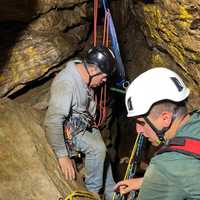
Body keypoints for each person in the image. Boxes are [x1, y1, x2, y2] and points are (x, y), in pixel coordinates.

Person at [114, 67, 200, 199]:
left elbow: (173, 170)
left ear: (165, 118)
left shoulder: (164, 166)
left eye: (141, 123)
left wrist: (156, 181)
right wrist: (147, 181)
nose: (138, 130)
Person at [44, 46, 116, 200]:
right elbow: (53, 121)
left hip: (84, 122)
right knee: (97, 150)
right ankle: (92, 192)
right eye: (103, 77)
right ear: (92, 71)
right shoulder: (66, 83)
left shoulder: (82, 72)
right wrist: (62, 155)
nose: (104, 82)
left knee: (104, 157)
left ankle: (112, 193)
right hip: (70, 128)